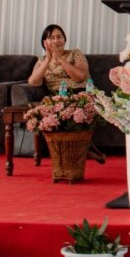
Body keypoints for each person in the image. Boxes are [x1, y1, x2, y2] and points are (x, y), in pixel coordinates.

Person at [26, 23, 105, 163]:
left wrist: (60, 59)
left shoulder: (75, 54)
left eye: (59, 37)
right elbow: (33, 82)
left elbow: (80, 76)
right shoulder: (42, 60)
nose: (56, 41)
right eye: (52, 38)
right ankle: (85, 147)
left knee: (73, 106)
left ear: (64, 39)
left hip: (80, 92)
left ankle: (82, 147)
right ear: (45, 42)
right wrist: (48, 60)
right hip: (57, 96)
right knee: (58, 108)